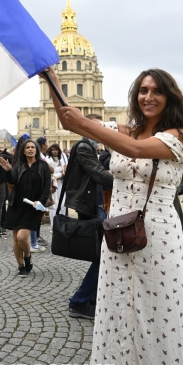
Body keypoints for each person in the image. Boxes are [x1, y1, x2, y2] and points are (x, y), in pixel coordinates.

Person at [41, 66, 183, 365]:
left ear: (169, 97)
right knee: (117, 307)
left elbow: (137, 151)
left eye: (156, 91)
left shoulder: (179, 136)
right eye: (143, 90)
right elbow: (68, 122)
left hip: (156, 235)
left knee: (159, 312)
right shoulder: (128, 130)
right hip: (117, 232)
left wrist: (86, 123)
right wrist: (54, 82)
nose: (148, 96)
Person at [62, 124, 113, 320]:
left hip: (93, 203)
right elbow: (98, 174)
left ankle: (89, 296)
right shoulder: (84, 147)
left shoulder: (88, 147)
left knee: (101, 253)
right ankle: (80, 301)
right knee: (104, 254)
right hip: (90, 205)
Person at [0, 139, 51, 277]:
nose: (30, 149)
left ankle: (27, 255)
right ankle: (21, 265)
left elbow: (46, 187)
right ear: (23, 150)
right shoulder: (18, 165)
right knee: (15, 239)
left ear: (37, 150)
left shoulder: (43, 166)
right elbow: (12, 181)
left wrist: (41, 202)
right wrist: (8, 171)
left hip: (33, 207)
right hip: (17, 204)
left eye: (33, 147)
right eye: (27, 147)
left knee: (22, 237)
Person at [45, 143, 66, 230]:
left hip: (61, 184)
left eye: (56, 150)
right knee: (53, 205)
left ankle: (62, 222)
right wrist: (60, 174)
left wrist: (59, 174)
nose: (54, 152)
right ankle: (53, 225)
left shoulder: (61, 159)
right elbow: (49, 174)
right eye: (53, 150)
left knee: (63, 204)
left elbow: (64, 171)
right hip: (52, 185)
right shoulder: (48, 160)